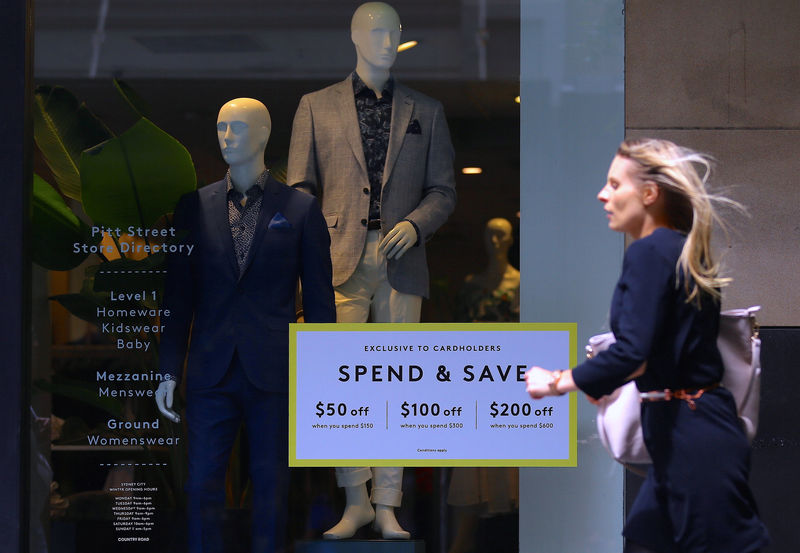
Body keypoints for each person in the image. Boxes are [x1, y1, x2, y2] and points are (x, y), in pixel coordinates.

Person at [524, 138, 770, 553]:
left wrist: (557, 382)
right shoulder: (681, 251)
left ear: (649, 194)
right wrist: (602, 383)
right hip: (687, 428)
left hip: (691, 434)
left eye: (615, 184)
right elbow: (656, 353)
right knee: (645, 539)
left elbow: (633, 352)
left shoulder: (650, 253)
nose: (603, 194)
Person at [286, 1, 456, 540]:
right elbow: (299, 191)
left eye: (394, 32)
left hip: (402, 259)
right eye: (378, 31)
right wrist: (313, 252)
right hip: (338, 259)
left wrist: (416, 224)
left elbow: (444, 190)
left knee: (396, 387)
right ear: (356, 36)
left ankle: (389, 503)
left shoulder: (426, 111)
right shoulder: (315, 106)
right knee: (345, 387)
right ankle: (355, 499)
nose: (388, 40)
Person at [155, 98, 336, 552]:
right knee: (200, 488)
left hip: (273, 372)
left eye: (237, 127)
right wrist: (168, 370)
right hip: (210, 371)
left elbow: (318, 299)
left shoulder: (299, 209)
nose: (226, 137)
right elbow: (178, 297)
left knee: (271, 492)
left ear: (263, 134)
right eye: (220, 127)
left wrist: (320, 373)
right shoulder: (193, 208)